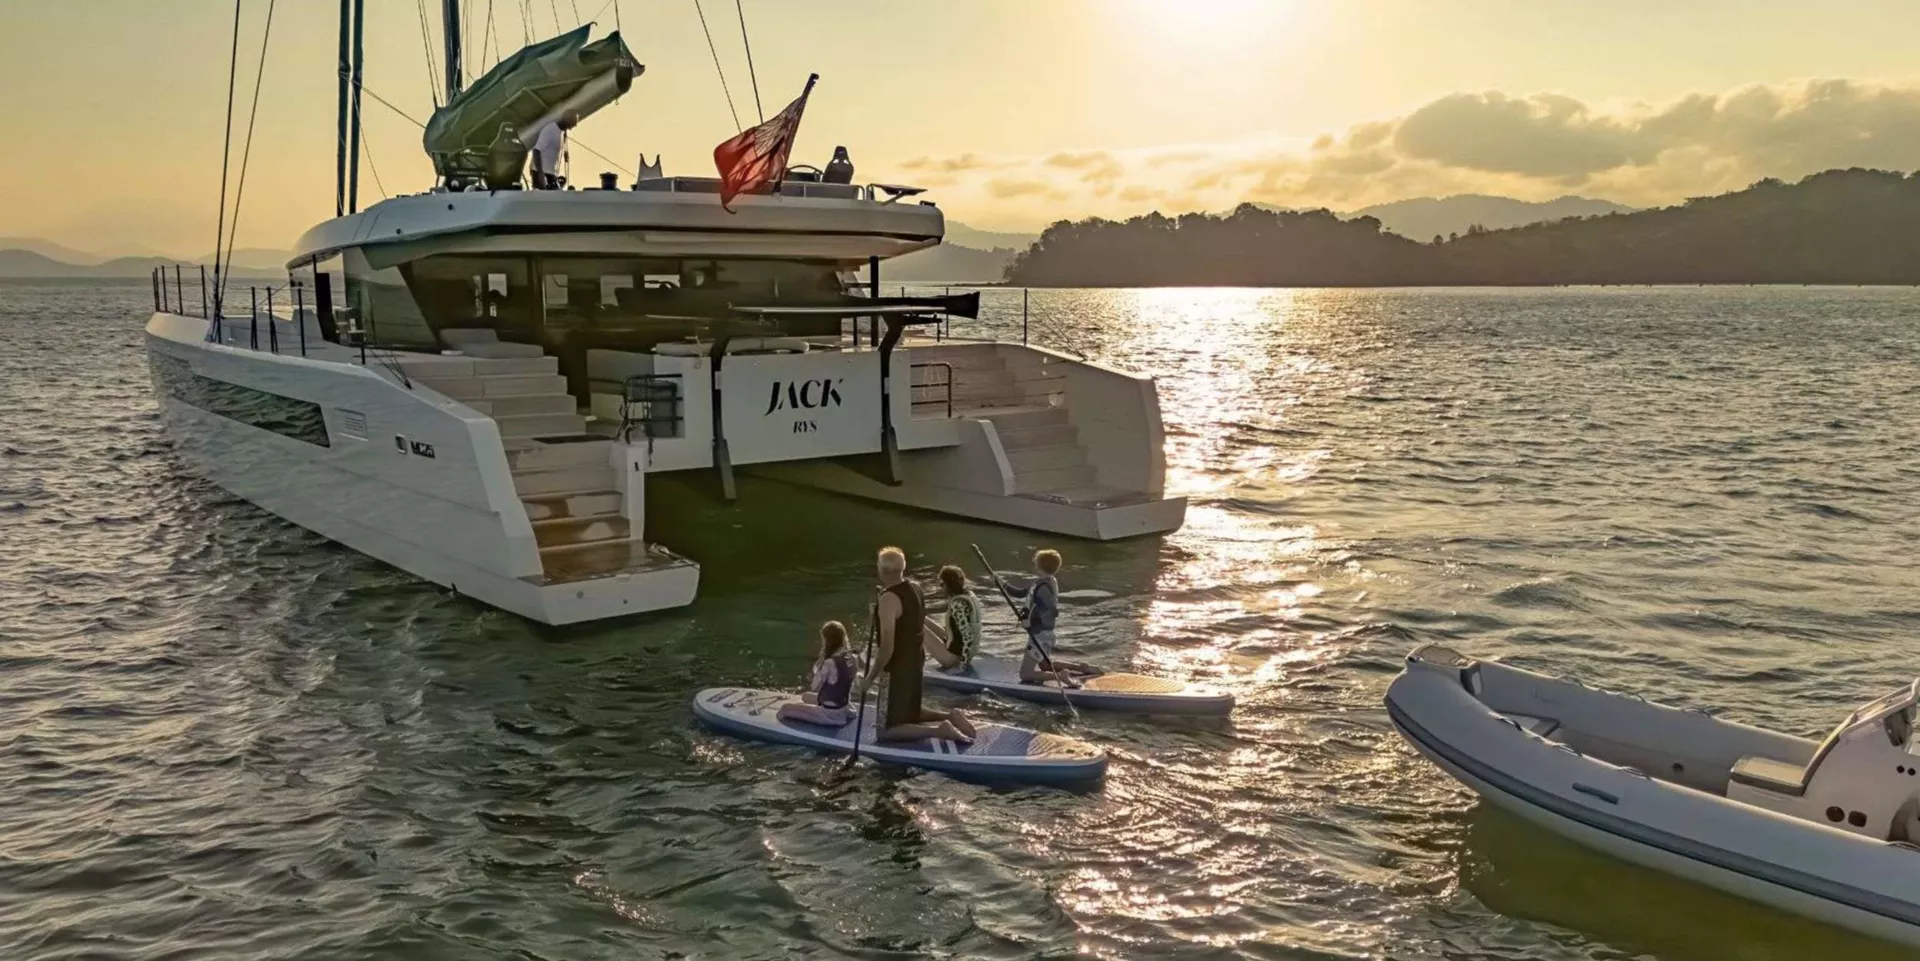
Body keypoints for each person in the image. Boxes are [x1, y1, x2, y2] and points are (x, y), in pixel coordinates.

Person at [860, 547, 976, 743]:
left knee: (886, 731)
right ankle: (950, 716)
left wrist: (870, 678)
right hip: (915, 659)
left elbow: (887, 647)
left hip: (897, 667)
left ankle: (939, 731)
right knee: (910, 712)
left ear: (883, 570)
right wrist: (878, 615)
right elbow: (911, 620)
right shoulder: (916, 587)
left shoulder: (888, 599)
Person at [1005, 548, 1101, 684]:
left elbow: (1051, 610)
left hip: (1040, 635)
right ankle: (1081, 667)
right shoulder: (1044, 582)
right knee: (1045, 665)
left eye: (1036, 562)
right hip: (1045, 633)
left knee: (1025, 675)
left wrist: (1032, 621)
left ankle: (1061, 676)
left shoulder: (1043, 588)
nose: (1034, 564)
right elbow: (1020, 593)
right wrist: (1002, 584)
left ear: (1039, 565)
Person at [777, 621, 858, 727]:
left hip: (828, 714)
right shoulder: (852, 658)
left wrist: (820, 663)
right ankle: (844, 712)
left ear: (828, 641)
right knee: (805, 696)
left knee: (785, 708)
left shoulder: (830, 662)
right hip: (842, 707)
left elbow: (815, 687)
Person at [922, 565, 981, 671]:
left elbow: (968, 638)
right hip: (957, 651)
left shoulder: (957, 605)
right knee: (919, 617)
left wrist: (962, 668)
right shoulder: (969, 595)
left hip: (951, 659)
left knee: (914, 623)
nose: (941, 587)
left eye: (942, 584)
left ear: (949, 584)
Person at [530, 112, 578, 189]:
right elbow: (536, 151)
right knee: (545, 196)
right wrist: (540, 174)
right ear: (567, 120)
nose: (572, 127)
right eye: (572, 123)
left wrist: (554, 174)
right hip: (541, 173)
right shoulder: (550, 130)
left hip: (549, 174)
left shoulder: (560, 132)